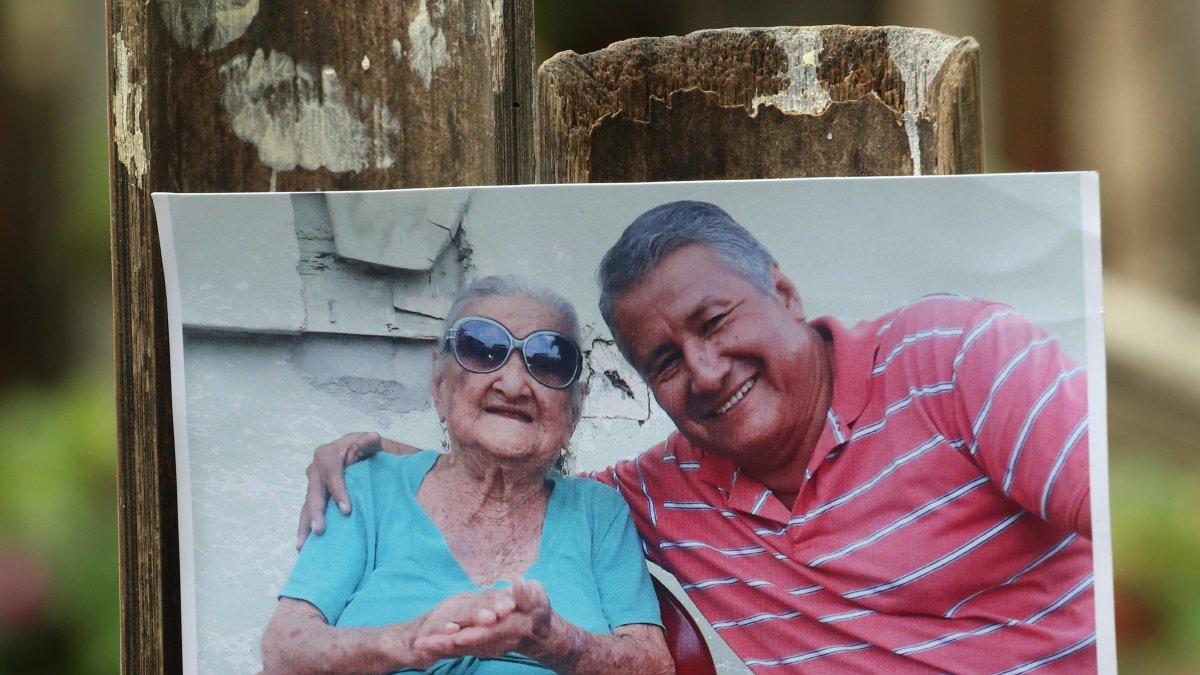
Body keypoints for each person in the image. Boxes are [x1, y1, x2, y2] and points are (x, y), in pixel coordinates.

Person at [298, 202, 1096, 672]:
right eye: (666, 360)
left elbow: (1145, 524)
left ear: (781, 291)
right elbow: (522, 479)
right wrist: (378, 455)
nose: (706, 371)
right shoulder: (659, 492)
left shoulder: (958, 358)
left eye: (715, 322)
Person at [263, 276, 673, 674]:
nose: (513, 385)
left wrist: (555, 641)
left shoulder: (598, 512)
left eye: (548, 360)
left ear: (573, 411)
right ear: (441, 384)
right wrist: (412, 640)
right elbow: (284, 650)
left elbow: (654, 665)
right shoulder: (367, 485)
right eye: (482, 348)